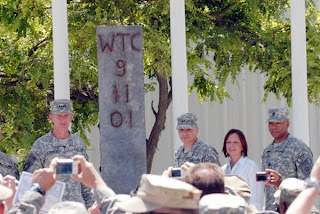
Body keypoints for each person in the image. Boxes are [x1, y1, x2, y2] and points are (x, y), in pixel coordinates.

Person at [23, 99, 94, 207]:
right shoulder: (41, 145)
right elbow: (30, 179)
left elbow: (84, 179)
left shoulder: (78, 143)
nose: (63, 119)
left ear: (71, 117)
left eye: (66, 115)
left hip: (76, 207)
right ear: (51, 117)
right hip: (51, 208)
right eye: (59, 116)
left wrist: (90, 205)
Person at [262, 106, 313, 211]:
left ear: (287, 123)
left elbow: (307, 184)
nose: (273, 127)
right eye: (271, 124)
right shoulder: (267, 152)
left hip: (293, 209)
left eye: (278, 123)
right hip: (271, 210)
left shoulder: (298, 148)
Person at [221, 129, 264, 210]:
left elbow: (256, 198)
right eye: (228, 142)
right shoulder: (223, 170)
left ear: (242, 145)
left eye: (235, 142)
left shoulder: (251, 167)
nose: (231, 146)